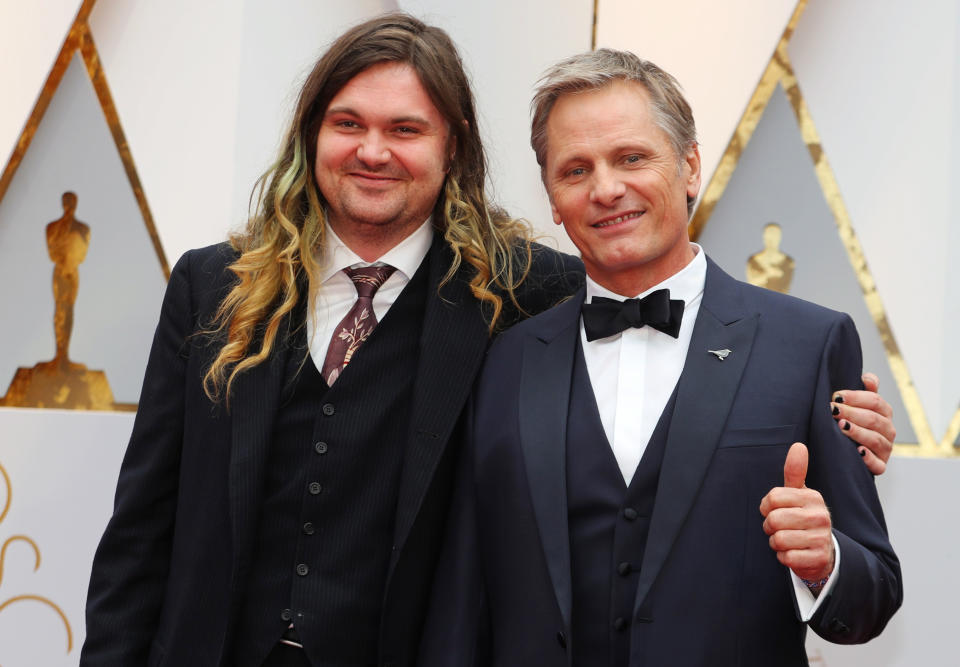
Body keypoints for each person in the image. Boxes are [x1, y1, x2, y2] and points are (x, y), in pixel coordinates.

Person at [80, 14, 895, 667]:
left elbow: (696, 325)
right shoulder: (211, 285)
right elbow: (140, 529)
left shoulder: (515, 293)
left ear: (452, 146)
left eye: (405, 127)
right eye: (347, 123)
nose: (373, 150)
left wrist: (839, 422)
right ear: (310, 134)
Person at [420, 50, 901, 666]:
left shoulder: (809, 343)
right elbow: (464, 595)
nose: (606, 189)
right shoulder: (505, 359)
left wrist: (826, 560)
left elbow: (876, 594)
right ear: (552, 198)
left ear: (690, 166)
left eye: (631, 158)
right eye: (575, 170)